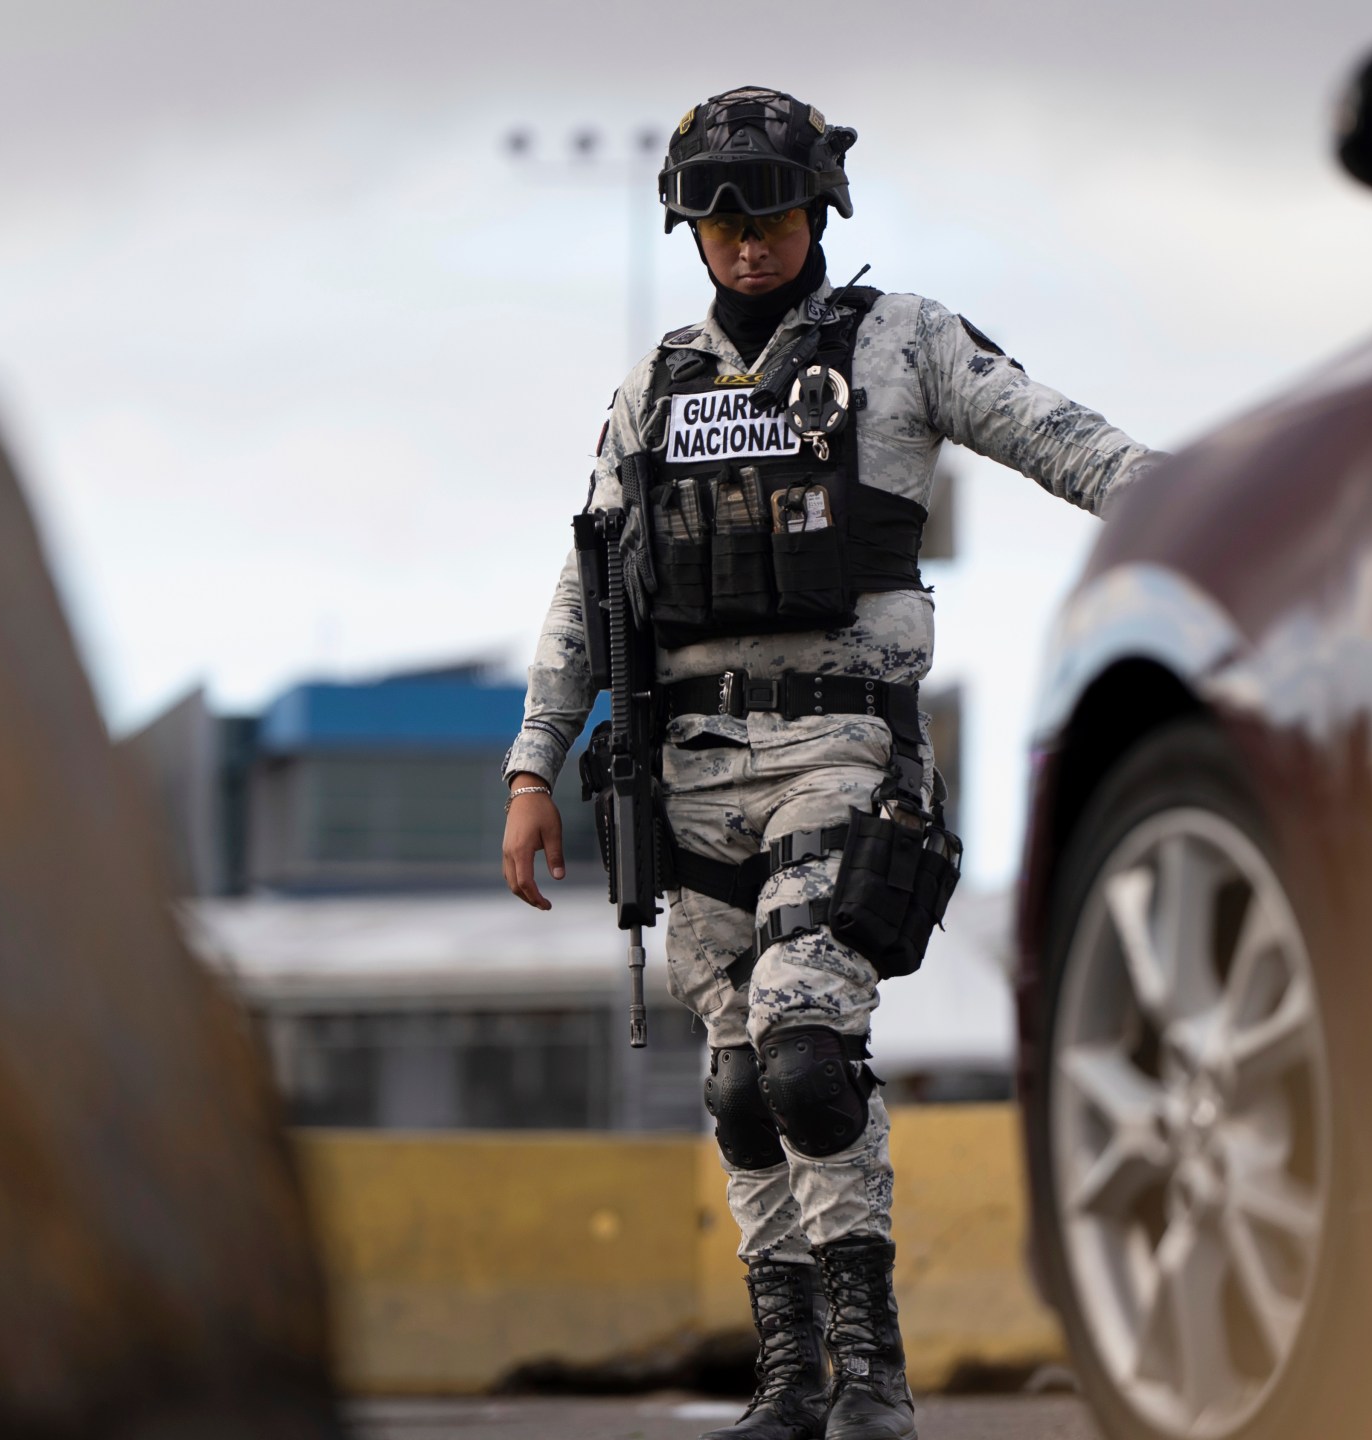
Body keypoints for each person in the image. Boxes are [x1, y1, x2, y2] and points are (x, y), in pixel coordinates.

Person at [500, 86, 1159, 1440]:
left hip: (842, 749)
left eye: (775, 214)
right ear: (688, 230)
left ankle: (874, 1378)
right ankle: (791, 1378)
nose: (748, 244)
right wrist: (529, 770)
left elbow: (1058, 436)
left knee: (807, 1052)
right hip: (689, 777)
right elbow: (584, 596)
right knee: (742, 1086)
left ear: (821, 211)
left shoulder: (901, 343)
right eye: (721, 219)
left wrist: (1203, 508)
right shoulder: (652, 393)